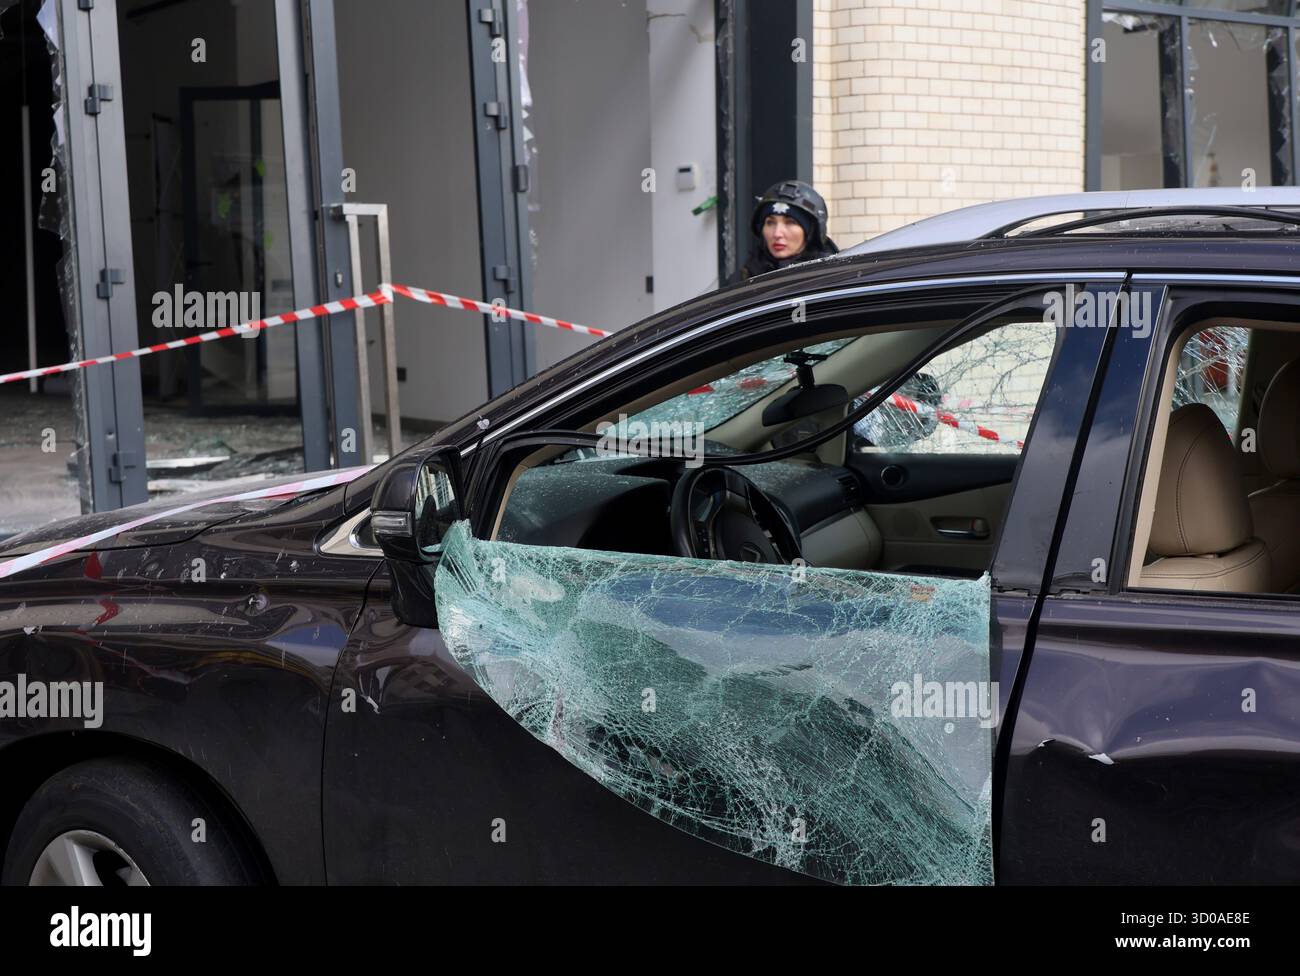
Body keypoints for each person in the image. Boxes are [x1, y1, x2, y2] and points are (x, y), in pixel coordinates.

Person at [731, 180, 839, 284]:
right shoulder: (745, 278)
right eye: (770, 222)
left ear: (810, 233)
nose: (777, 234)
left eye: (790, 222)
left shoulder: (831, 278)